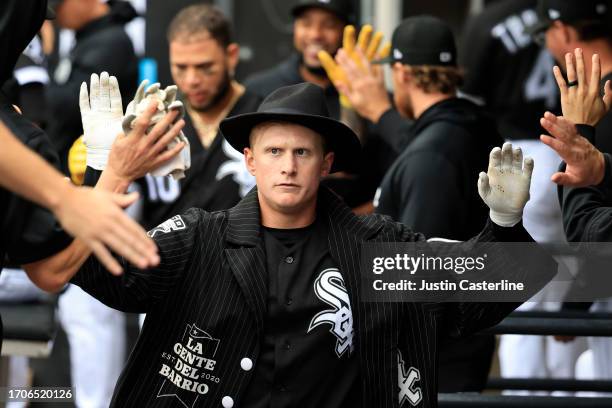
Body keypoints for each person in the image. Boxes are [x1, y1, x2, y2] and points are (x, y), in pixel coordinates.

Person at [32, 79, 557, 407]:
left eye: (303, 152)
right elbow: (95, 270)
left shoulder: (377, 247)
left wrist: (505, 224)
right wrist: (106, 173)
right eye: (275, 150)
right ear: (250, 161)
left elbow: (484, 294)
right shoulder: (198, 239)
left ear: (327, 164)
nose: (287, 165)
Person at [336, 15, 504, 392]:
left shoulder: (433, 155)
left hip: (434, 356)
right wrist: (379, 113)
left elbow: (416, 272)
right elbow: (428, 137)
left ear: (402, 73)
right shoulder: (471, 125)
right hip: (461, 339)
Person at [245, 0, 394, 209]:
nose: (315, 34)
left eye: (329, 25)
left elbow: (393, 182)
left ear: (346, 30)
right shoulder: (259, 88)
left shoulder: (371, 98)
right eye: (306, 23)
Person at [133, 4, 261, 230]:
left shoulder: (261, 119)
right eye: (180, 67)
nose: (191, 79)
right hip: (162, 260)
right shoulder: (154, 121)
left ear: (231, 56)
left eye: (204, 67)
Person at [46, 0, 139, 172]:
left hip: (93, 168)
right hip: (77, 161)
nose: (55, 14)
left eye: (58, 5)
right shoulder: (89, 36)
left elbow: (72, 105)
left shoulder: (111, 41)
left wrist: (44, 60)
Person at [529, 0, 612, 153]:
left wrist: (581, 129)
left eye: (544, 35)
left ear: (562, 31)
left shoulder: (592, 108)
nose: (546, 44)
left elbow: (581, 174)